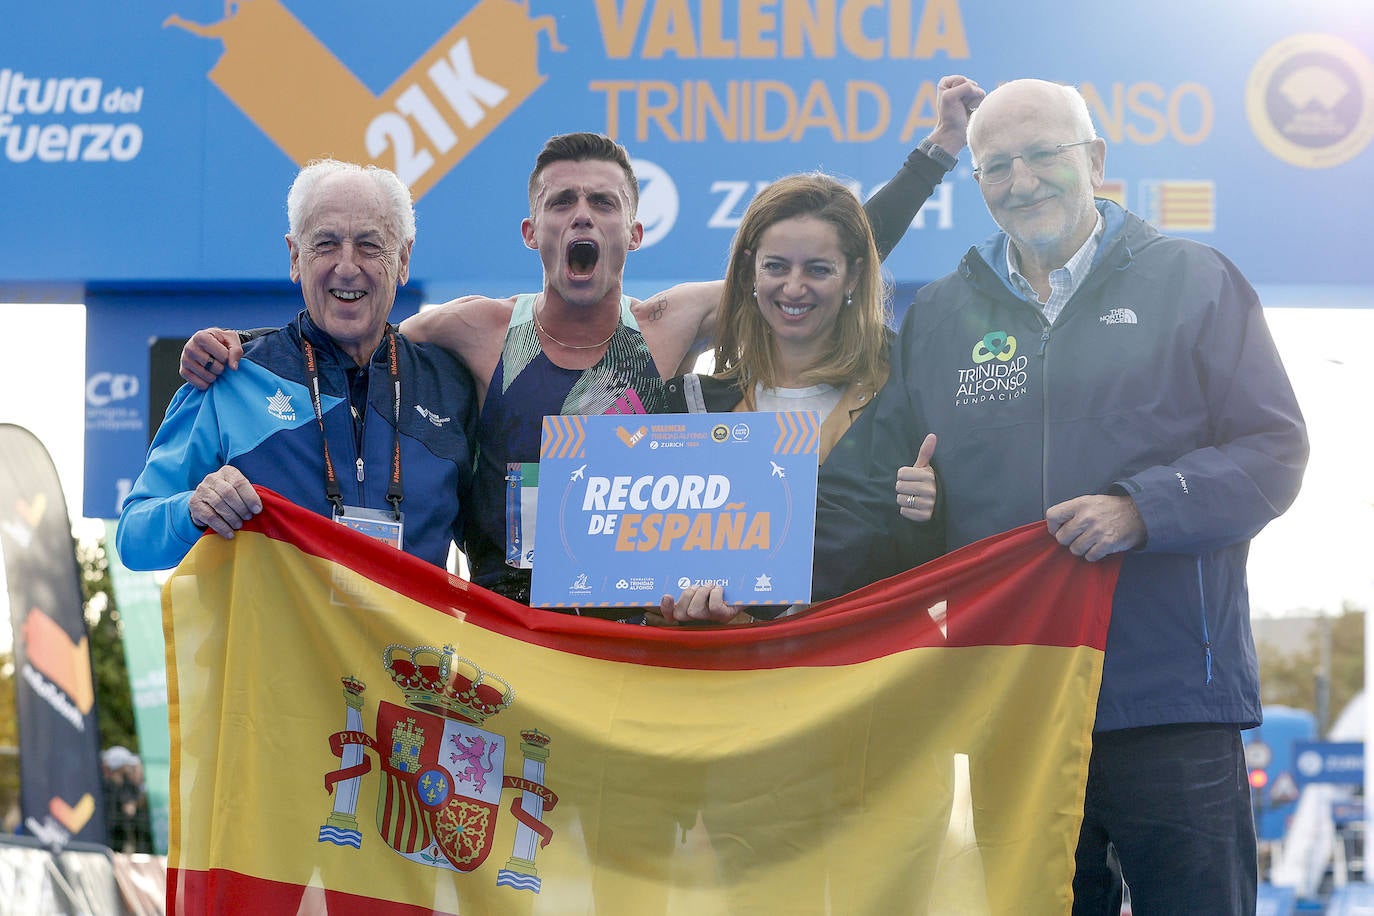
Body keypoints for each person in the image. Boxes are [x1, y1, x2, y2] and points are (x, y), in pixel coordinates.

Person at [176, 75, 982, 605]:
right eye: (562, 203)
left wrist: (937, 154)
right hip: (512, 643)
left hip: (632, 643)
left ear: (635, 229)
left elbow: (823, 253)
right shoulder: (478, 329)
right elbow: (347, 335)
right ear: (533, 230)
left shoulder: (674, 324)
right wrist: (242, 348)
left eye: (602, 201)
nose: (582, 217)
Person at [812, 78, 1309, 913]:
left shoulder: (1195, 280)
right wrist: (745, 581)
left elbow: (1275, 449)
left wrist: (1143, 507)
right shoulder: (937, 317)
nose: (1022, 180)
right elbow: (861, 495)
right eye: (997, 166)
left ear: (1096, 161)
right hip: (1013, 703)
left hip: (1171, 702)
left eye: (1043, 155)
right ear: (977, 184)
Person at [117, 159, 477, 570]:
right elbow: (134, 538)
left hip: (406, 640)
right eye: (325, 244)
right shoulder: (230, 376)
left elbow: (493, 547)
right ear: (294, 257)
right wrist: (192, 509)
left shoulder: (449, 388)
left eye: (369, 245)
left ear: (403, 260)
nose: (346, 266)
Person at [654, 170, 947, 624]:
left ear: (852, 276)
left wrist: (927, 512)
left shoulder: (904, 394)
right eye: (776, 266)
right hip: (724, 681)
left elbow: (934, 568)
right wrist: (683, 610)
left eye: (818, 269)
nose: (793, 287)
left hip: (858, 675)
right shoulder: (690, 407)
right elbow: (646, 572)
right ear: (751, 269)